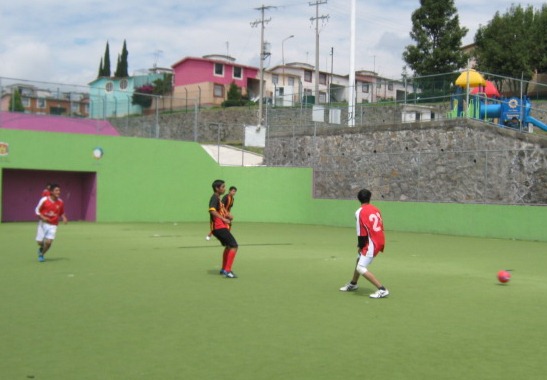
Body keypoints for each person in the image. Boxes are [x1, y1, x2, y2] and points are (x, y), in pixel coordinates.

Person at [339, 188, 389, 298]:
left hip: (371, 242)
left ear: (358, 199)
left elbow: (361, 232)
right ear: (369, 198)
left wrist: (361, 246)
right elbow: (380, 226)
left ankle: (382, 289)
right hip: (379, 239)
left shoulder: (359, 212)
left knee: (360, 267)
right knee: (359, 259)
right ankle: (353, 283)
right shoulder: (376, 209)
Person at [208, 179, 239, 278]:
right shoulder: (214, 198)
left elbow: (221, 210)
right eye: (223, 187)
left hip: (219, 227)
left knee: (229, 246)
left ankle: (224, 269)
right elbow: (212, 210)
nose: (224, 188)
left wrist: (227, 215)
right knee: (234, 246)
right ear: (217, 188)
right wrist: (223, 219)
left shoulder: (218, 199)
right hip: (219, 227)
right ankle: (228, 271)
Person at [35, 183, 68, 262]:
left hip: (53, 224)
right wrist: (44, 217)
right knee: (40, 242)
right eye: (56, 190)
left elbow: (61, 212)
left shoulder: (60, 202)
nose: (58, 192)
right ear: (51, 192)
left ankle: (41, 254)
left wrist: (64, 217)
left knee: (49, 242)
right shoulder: (44, 200)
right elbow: (37, 210)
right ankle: (41, 248)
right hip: (42, 224)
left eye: (59, 190)